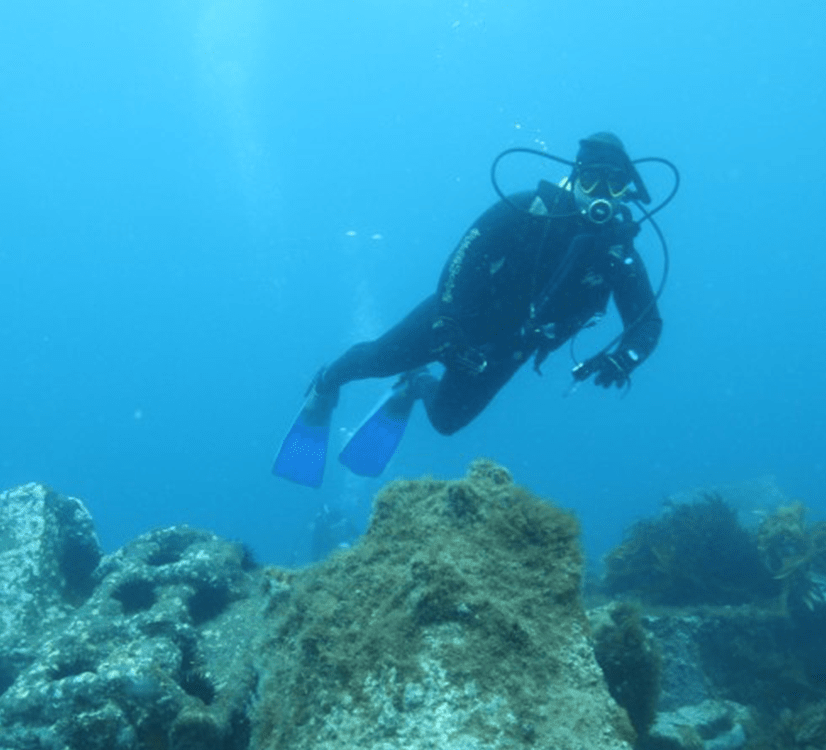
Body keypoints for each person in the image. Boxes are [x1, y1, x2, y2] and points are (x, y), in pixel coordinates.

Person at [273, 131, 668, 487]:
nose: (601, 192)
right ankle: (326, 384)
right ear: (575, 177)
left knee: (446, 422)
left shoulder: (618, 254)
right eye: (591, 180)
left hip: (509, 348)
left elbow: (647, 321)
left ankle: (416, 385)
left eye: (614, 184)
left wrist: (624, 360)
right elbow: (463, 256)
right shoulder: (526, 209)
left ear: (625, 193)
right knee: (375, 360)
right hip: (454, 320)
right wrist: (446, 321)